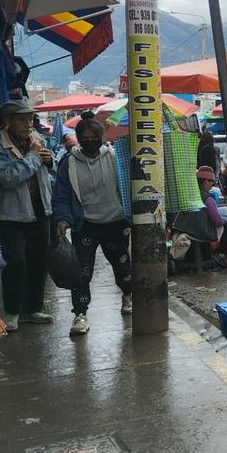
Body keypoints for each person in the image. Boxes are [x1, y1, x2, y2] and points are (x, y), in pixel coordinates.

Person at [52, 112, 132, 335]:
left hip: (116, 222)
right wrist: (62, 218)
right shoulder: (68, 163)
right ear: (78, 138)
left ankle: (128, 295)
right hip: (84, 224)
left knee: (122, 264)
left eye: (93, 136)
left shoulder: (115, 157)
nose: (89, 140)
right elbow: (61, 194)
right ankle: (80, 314)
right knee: (81, 272)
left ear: (101, 136)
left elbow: (127, 186)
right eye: (84, 137)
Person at [0, 100, 55, 331]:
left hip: (39, 209)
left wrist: (48, 160)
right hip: (11, 214)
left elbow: (47, 168)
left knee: (38, 261)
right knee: (16, 262)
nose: (28, 124)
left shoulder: (36, 139)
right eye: (23, 119)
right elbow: (8, 178)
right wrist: (35, 158)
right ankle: (13, 311)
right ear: (9, 121)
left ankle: (33, 308)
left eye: (30, 119)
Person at [196, 166, 227, 268]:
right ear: (206, 182)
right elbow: (217, 221)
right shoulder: (208, 198)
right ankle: (221, 254)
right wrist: (223, 220)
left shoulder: (192, 195)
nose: (211, 187)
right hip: (202, 231)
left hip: (188, 228)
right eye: (211, 184)